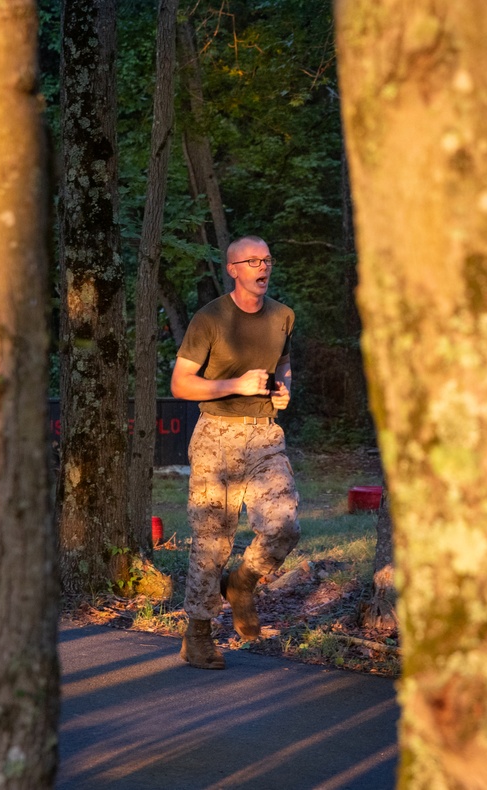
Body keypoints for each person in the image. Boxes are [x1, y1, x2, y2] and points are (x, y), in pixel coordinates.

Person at [170, 235, 300, 670]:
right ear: (233, 269)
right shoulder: (210, 319)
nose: (263, 267)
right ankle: (199, 634)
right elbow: (180, 384)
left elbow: (283, 363)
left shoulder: (283, 315)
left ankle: (242, 584)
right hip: (216, 438)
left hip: (265, 435)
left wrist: (284, 389)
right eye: (252, 261)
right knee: (211, 543)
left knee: (284, 526)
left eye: (267, 259)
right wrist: (234, 385)